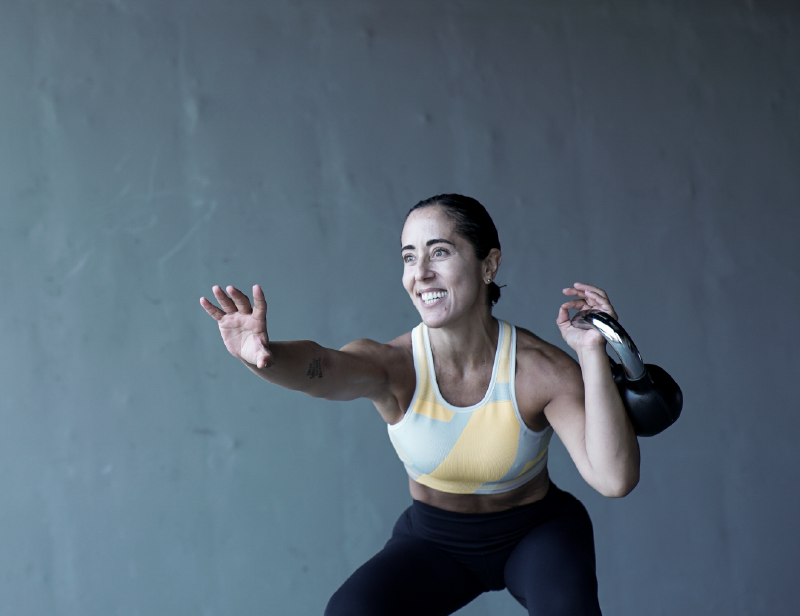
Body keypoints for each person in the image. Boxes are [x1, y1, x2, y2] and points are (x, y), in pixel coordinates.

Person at [199, 194, 640, 615]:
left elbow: (613, 478)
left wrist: (590, 354)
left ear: (489, 263)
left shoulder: (539, 370)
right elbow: (323, 369)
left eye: (440, 252)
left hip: (536, 532)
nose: (420, 272)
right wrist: (265, 356)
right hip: (435, 541)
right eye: (409, 257)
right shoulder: (395, 366)